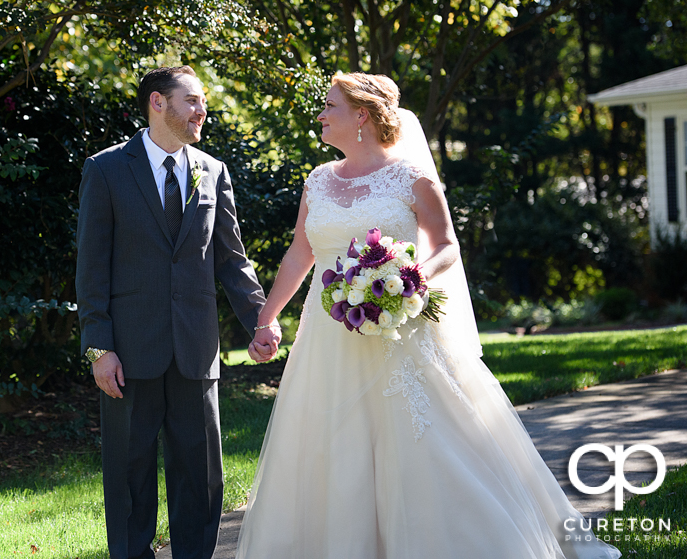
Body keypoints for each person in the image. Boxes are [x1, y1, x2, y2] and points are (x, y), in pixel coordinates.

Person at [235, 72, 620, 558]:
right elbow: (299, 254)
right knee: (333, 446)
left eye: (330, 105)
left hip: (400, 327)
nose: (320, 114)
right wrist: (267, 318)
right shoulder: (318, 180)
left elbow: (446, 247)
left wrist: (408, 277)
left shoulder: (412, 178)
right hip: (327, 337)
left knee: (425, 444)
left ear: (361, 116)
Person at [76, 65, 281, 559]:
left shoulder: (213, 171)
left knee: (201, 474)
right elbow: (91, 266)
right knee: (129, 475)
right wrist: (99, 347)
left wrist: (261, 317)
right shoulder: (105, 169)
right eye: (191, 101)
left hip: (196, 349)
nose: (201, 111)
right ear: (157, 103)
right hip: (129, 350)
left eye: (202, 103)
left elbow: (231, 259)